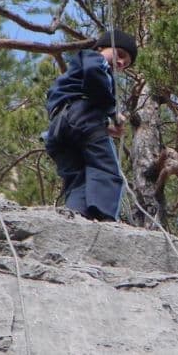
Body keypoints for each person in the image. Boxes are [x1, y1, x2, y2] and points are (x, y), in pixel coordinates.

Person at [44, 30, 137, 221]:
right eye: (119, 54)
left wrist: (106, 128)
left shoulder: (76, 72)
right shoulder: (95, 59)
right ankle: (103, 217)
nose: (120, 63)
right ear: (101, 48)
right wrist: (112, 112)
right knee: (106, 169)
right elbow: (94, 77)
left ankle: (77, 216)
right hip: (80, 117)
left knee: (79, 176)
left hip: (59, 129)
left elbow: (76, 114)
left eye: (125, 64)